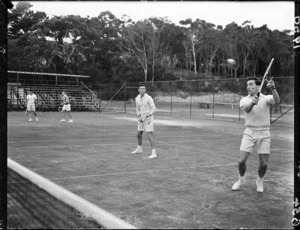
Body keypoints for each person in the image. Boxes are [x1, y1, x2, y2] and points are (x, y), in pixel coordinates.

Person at [232, 76, 280, 193]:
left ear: (258, 86)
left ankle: (259, 181)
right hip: (249, 132)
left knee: (264, 163)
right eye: (247, 84)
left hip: (264, 132)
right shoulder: (244, 100)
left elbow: (277, 102)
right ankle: (241, 179)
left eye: (251, 84)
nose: (248, 87)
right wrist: (253, 103)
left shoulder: (266, 98)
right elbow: (247, 109)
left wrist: (273, 88)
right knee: (241, 161)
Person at [131, 83, 157, 159]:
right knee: (139, 134)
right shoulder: (137, 98)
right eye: (141, 89)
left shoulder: (149, 98)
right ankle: (139, 149)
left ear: (145, 90)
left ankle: (154, 153)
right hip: (141, 117)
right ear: (138, 90)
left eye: (144, 89)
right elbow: (137, 109)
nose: (142, 90)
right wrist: (139, 116)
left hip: (148, 117)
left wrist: (149, 115)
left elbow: (154, 108)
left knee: (149, 135)